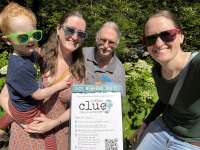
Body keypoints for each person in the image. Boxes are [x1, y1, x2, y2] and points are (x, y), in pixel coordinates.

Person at [0, 6, 87, 150]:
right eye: (70, 30)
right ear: (59, 29)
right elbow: (4, 97)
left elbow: (79, 107)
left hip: (58, 138)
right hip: (25, 138)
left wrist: (53, 123)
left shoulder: (80, 70)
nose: (75, 37)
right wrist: (23, 122)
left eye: (81, 34)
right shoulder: (34, 56)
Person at [133, 10, 200, 150]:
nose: (158, 43)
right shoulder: (156, 70)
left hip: (190, 143)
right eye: (150, 39)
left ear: (181, 36)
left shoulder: (196, 65)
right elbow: (165, 100)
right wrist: (146, 122)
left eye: (167, 35)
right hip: (162, 128)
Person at [82, 21, 126, 96]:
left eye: (111, 42)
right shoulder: (82, 55)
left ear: (117, 44)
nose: (106, 45)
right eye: (103, 40)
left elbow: (120, 99)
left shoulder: (119, 69)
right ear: (97, 38)